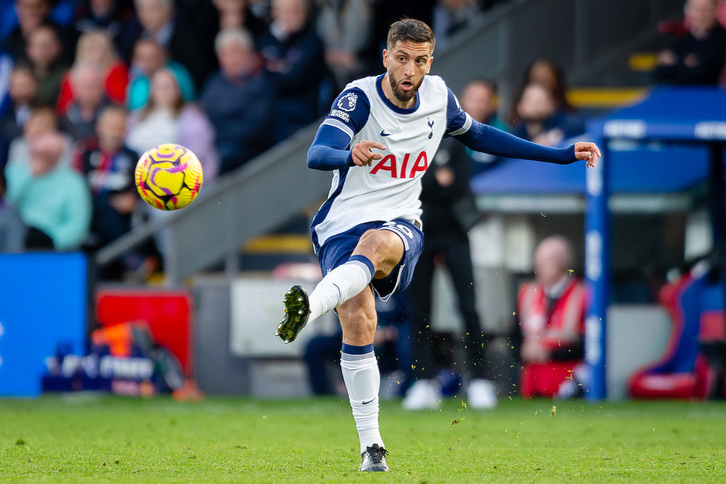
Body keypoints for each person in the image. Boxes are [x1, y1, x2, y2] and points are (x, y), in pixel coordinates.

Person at [275, 18, 601, 472]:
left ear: (431, 61)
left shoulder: (438, 96)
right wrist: (349, 152)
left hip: (401, 221)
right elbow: (317, 152)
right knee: (358, 319)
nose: (410, 70)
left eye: (420, 60)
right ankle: (373, 448)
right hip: (341, 222)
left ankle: (308, 310)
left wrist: (559, 153)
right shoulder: (358, 97)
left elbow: (482, 135)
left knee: (376, 244)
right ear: (386, 57)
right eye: (402, 59)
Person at [402, 84, 496, 411]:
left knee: (468, 306)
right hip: (419, 233)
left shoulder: (455, 141)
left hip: (455, 233)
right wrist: (434, 180)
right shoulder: (409, 140)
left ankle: (481, 380)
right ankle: (423, 381)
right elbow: (411, 182)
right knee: (418, 310)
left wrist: (434, 182)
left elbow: (457, 184)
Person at [71, 103, 141, 279]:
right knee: (101, 205)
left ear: (126, 129)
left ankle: (128, 257)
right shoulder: (84, 151)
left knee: (105, 208)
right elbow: (76, 189)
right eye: (110, 126)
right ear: (99, 127)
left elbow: (131, 200)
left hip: (121, 220)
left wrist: (127, 200)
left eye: (119, 127)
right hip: (86, 215)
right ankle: (130, 255)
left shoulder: (133, 157)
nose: (114, 132)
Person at [517, 235, 587, 399]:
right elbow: (515, 335)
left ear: (561, 264)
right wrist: (524, 351)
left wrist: (549, 354)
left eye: (544, 263)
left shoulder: (583, 295)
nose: (538, 269)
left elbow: (589, 346)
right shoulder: (527, 293)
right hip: (531, 383)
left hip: (567, 382)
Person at [199, 27, 274, 174]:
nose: (230, 58)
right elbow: (203, 115)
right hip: (213, 146)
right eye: (224, 53)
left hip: (244, 152)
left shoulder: (260, 82)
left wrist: (217, 134)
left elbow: (255, 128)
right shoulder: (213, 83)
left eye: (235, 52)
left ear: (248, 53)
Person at [3, 130, 91, 249]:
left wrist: (51, 240)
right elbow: (5, 205)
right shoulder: (14, 172)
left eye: (47, 154)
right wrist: (29, 175)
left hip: (49, 243)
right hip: (12, 237)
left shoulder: (74, 182)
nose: (42, 157)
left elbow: (77, 225)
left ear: (58, 155)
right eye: (37, 153)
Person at [257, 0, 327, 142]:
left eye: (296, 11)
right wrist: (284, 66)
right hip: (267, 108)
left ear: (305, 13)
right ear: (275, 13)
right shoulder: (265, 41)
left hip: (303, 109)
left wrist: (277, 67)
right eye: (286, 11)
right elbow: (261, 74)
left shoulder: (312, 41)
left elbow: (292, 78)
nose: (291, 16)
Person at [56, 30, 128, 116]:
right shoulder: (71, 75)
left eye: (102, 49)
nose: (98, 54)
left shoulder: (117, 70)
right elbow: (64, 108)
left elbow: (119, 102)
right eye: (91, 49)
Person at [654, 0, 726, 85]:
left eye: (706, 10)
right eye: (697, 10)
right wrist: (685, 62)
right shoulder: (683, 39)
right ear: (688, 12)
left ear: (715, 12)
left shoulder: (722, 39)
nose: (701, 15)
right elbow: (658, 73)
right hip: (682, 95)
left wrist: (675, 62)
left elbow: (704, 73)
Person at [126, 38, 195, 111]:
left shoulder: (177, 75)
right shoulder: (137, 81)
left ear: (163, 56)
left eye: (152, 57)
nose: (147, 63)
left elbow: (191, 104)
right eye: (141, 57)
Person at [511, 82, 585, 147]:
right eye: (530, 101)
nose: (535, 105)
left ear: (551, 105)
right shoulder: (516, 134)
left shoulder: (561, 122)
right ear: (520, 106)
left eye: (540, 101)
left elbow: (577, 124)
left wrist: (552, 137)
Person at [58, 63, 110, 141]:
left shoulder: (112, 112)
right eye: (85, 86)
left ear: (101, 86)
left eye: (93, 86)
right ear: (74, 87)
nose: (89, 92)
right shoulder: (66, 118)